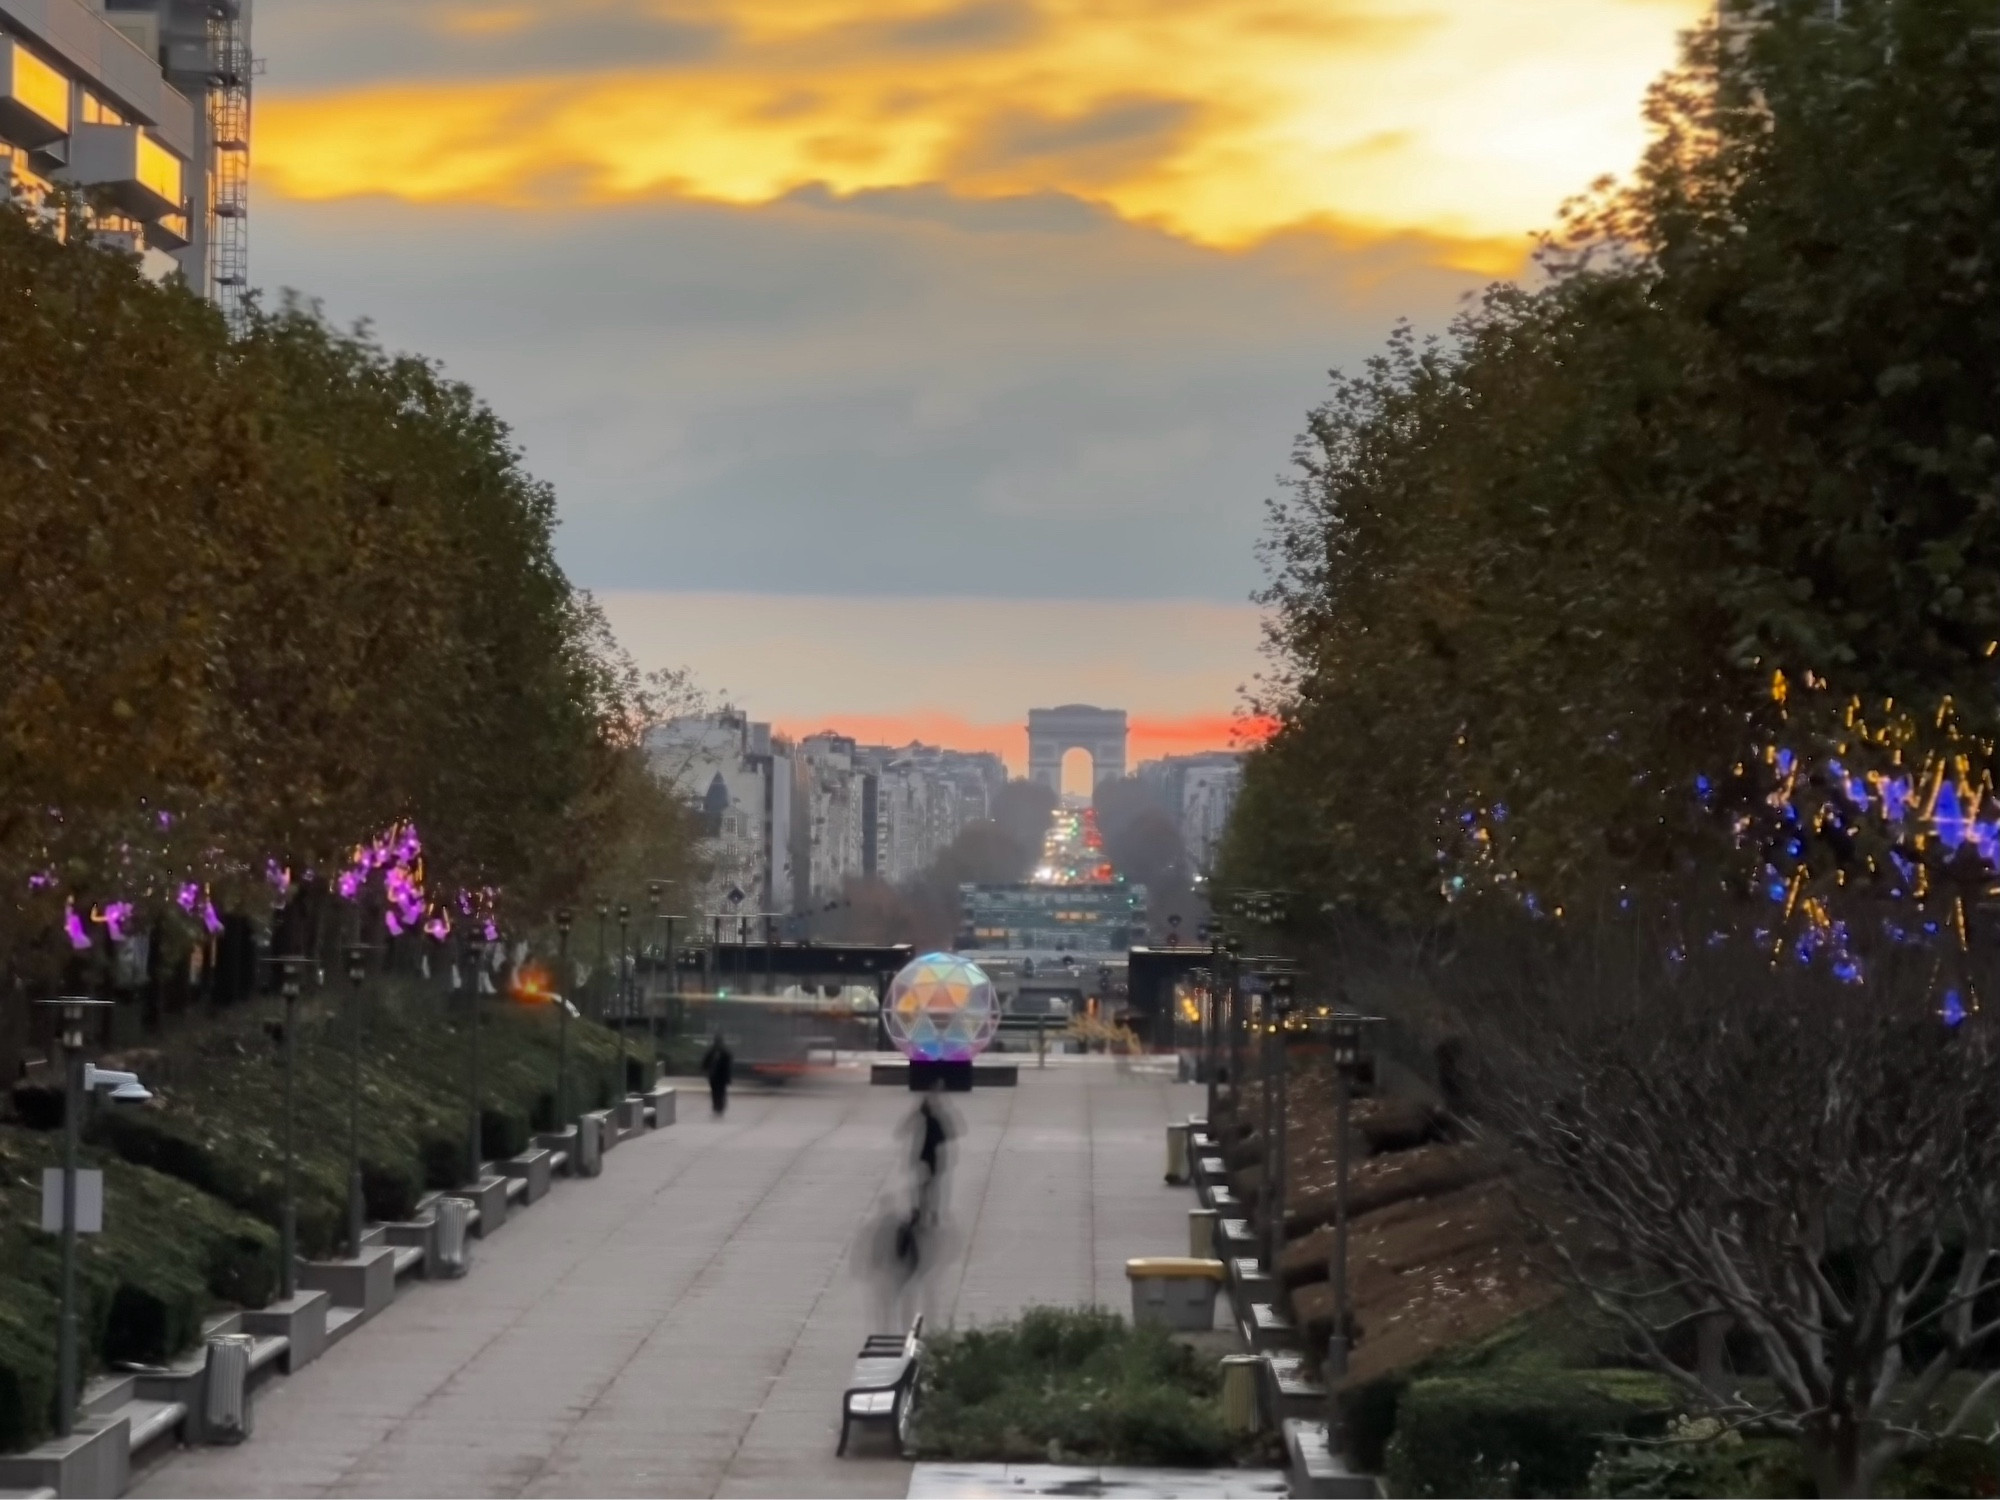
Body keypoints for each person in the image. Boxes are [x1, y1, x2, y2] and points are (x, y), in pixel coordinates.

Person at [701, 1032, 733, 1116]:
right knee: (715, 1092)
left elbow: (727, 1066)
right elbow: (705, 1063)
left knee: (720, 1092)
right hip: (714, 1076)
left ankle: (720, 1105)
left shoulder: (725, 1053)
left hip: (721, 1077)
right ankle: (716, 1105)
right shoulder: (712, 1052)